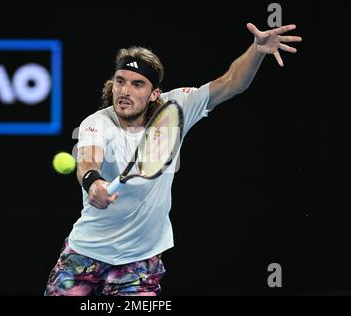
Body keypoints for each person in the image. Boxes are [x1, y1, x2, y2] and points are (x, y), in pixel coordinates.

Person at [44, 23, 302, 296]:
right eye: (120, 81)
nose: (124, 91)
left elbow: (231, 83)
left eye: (137, 84)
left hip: (140, 261)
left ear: (155, 93)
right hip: (85, 254)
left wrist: (257, 50)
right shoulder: (96, 123)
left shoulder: (175, 108)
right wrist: (93, 182)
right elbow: (87, 159)